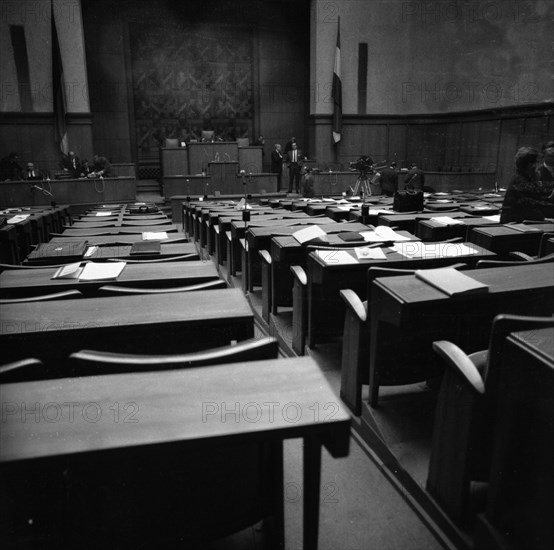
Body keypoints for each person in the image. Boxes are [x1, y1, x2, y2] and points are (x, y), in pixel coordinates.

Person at [500, 146, 554, 223]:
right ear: (528, 165)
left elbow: (535, 200)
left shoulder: (526, 177)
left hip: (524, 220)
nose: (536, 166)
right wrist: (543, 219)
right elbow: (528, 207)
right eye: (535, 162)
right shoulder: (520, 180)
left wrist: (549, 198)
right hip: (514, 223)